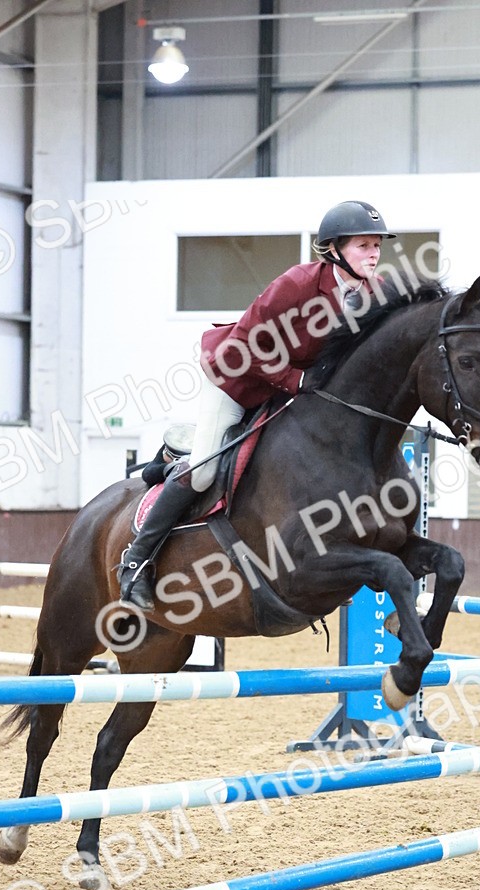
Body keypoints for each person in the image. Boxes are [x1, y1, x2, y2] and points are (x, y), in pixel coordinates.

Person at [118, 199, 395, 609]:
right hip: (236, 379)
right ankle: (136, 561)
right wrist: (295, 380)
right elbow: (243, 344)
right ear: (334, 249)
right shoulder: (299, 284)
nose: (373, 254)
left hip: (292, 394)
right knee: (203, 473)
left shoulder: (376, 292)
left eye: (377, 246)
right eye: (363, 246)